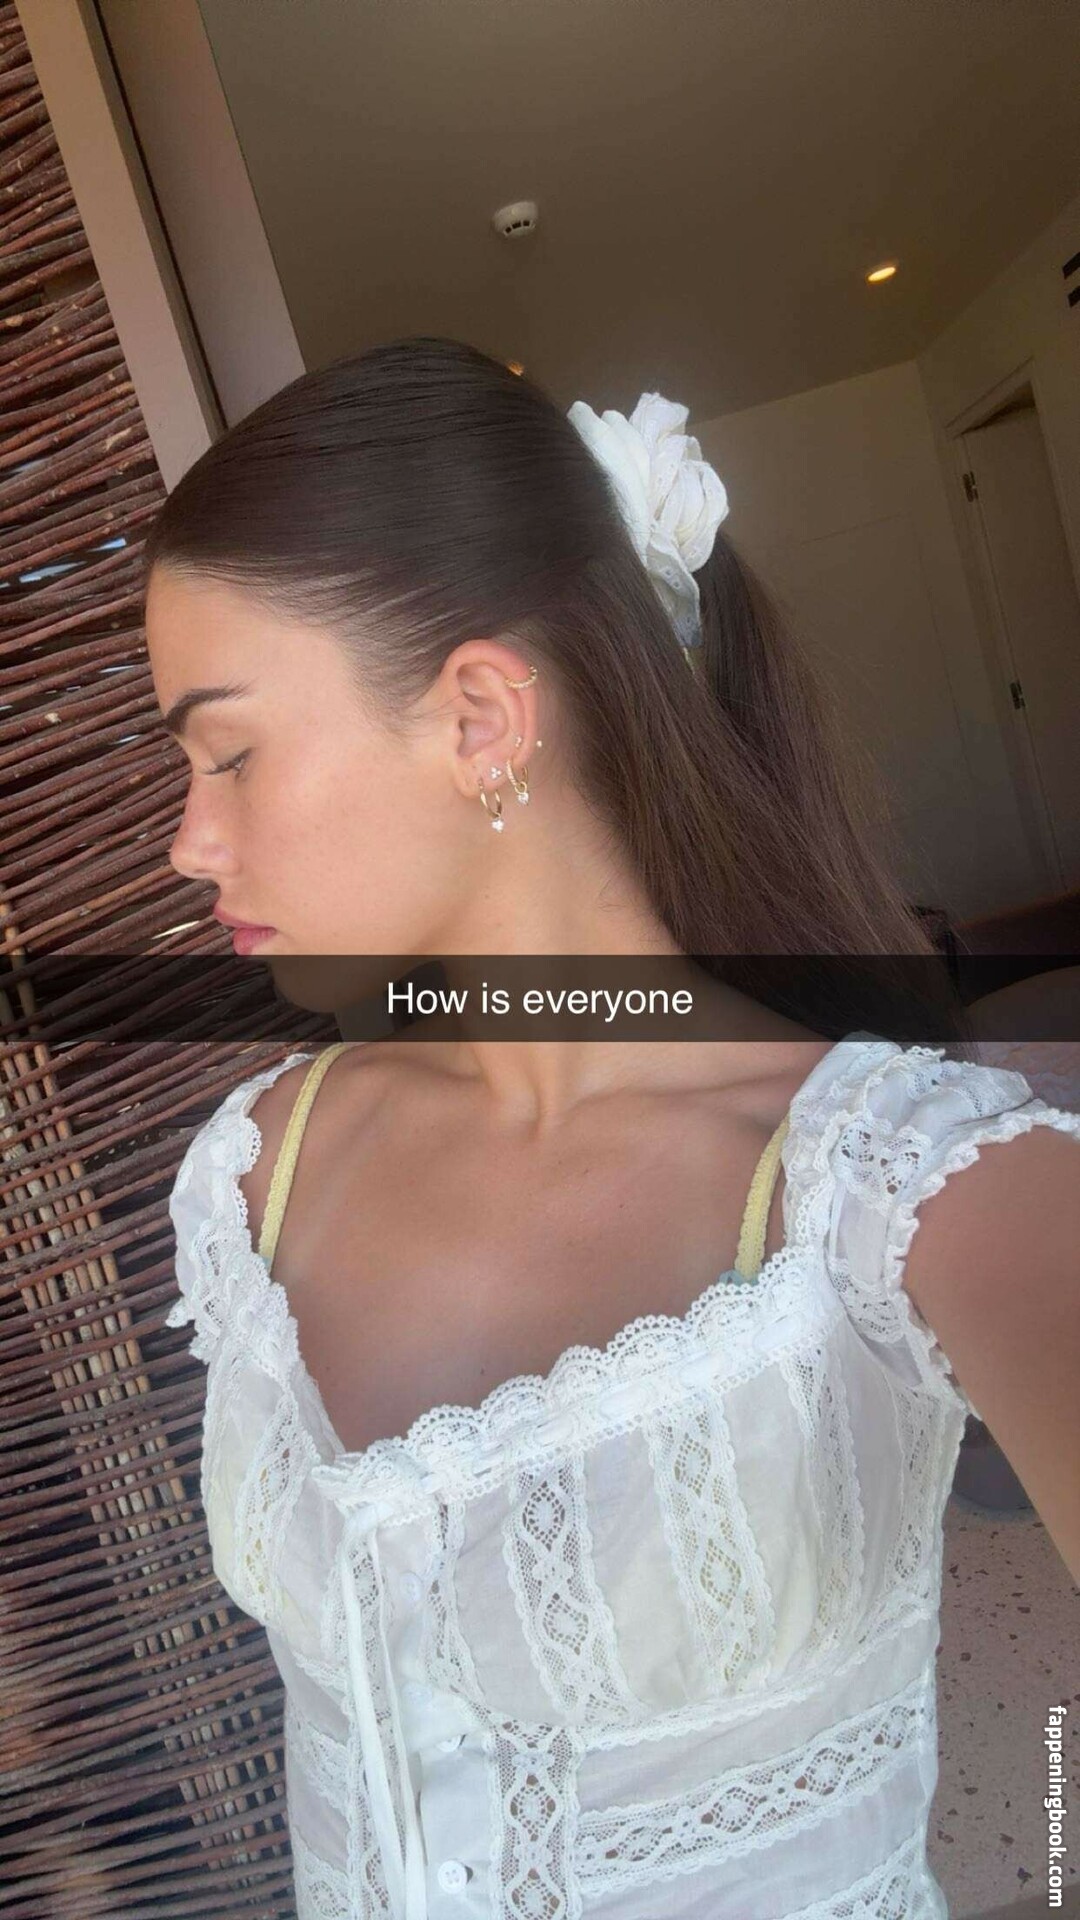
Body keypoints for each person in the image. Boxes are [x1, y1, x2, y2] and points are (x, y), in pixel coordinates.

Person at [145, 339, 1080, 1920]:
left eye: (228, 753)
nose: (188, 841)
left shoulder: (903, 1189)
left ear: (481, 718)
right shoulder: (255, 1167)